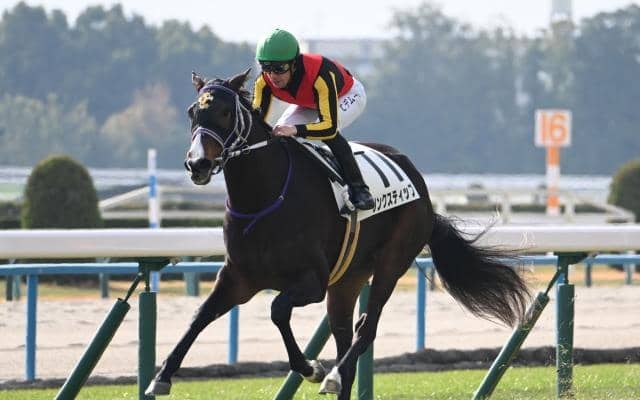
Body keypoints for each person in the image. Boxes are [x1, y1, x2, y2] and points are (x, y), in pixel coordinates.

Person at [252, 28, 375, 211]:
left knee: (327, 134)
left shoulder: (319, 74)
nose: (273, 76)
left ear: (294, 63)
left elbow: (328, 127)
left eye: (279, 68)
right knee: (279, 135)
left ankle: (360, 190)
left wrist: (296, 129)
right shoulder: (263, 82)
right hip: (309, 102)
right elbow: (254, 121)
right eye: (266, 67)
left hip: (346, 95)